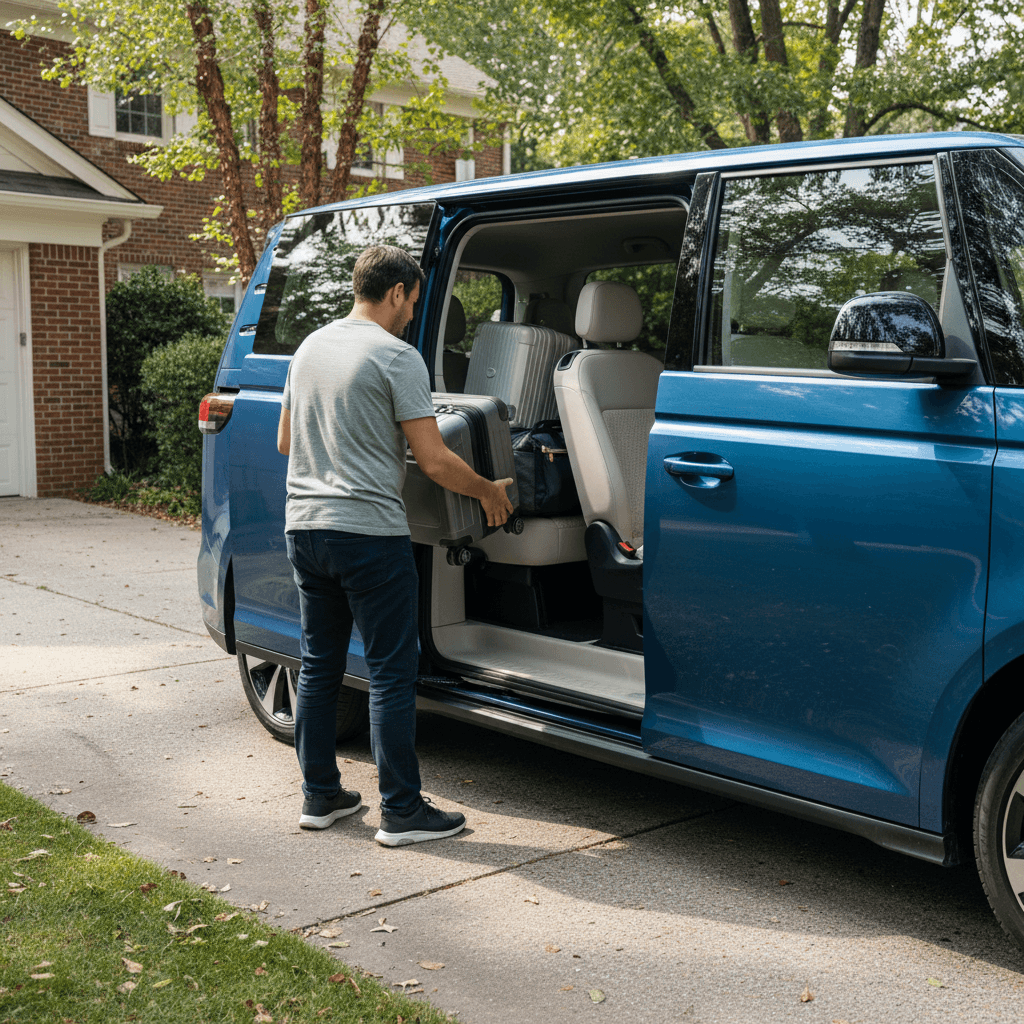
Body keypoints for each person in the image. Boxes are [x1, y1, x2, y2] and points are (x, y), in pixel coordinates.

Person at [276, 244, 514, 846]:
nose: (412, 315)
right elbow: (434, 461)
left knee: (319, 663)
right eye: (412, 302)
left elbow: (285, 442)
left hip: (305, 527)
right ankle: (402, 811)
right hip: (368, 535)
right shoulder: (396, 356)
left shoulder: (309, 348)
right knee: (389, 671)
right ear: (398, 292)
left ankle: (320, 796)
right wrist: (488, 490)